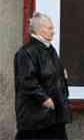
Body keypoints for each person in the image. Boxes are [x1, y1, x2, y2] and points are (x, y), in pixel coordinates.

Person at [14, 12, 72, 140]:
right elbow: (27, 81)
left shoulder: (50, 49)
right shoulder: (26, 53)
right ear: (39, 30)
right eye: (50, 28)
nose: (53, 32)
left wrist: (62, 76)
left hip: (53, 116)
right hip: (36, 117)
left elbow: (52, 74)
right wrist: (45, 100)